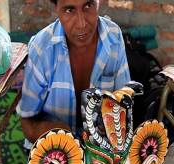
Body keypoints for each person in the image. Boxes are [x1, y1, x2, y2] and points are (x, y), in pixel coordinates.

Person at [16, 0, 130, 145]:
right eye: (69, 10)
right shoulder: (42, 48)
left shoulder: (113, 37)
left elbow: (123, 103)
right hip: (54, 152)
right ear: (56, 9)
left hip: (102, 148)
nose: (81, 24)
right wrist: (54, 133)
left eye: (88, 6)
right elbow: (27, 121)